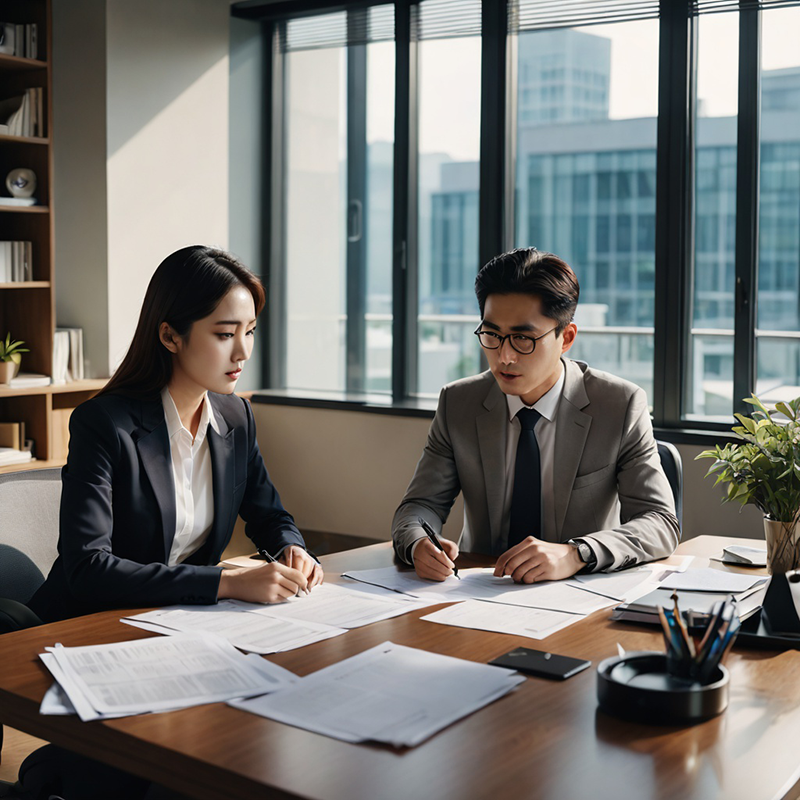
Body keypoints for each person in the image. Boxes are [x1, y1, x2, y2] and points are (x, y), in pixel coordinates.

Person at [29, 245, 323, 624]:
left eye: (249, 332)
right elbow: (89, 569)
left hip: (175, 622)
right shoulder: (103, 424)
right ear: (170, 337)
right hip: (83, 626)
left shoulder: (236, 417)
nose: (243, 352)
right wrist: (225, 583)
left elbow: (270, 517)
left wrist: (290, 548)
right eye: (224, 334)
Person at [392, 247, 679, 584]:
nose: (505, 356)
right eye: (492, 335)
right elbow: (418, 506)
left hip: (577, 594)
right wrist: (418, 543)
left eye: (523, 339)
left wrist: (576, 554)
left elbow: (660, 522)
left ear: (566, 338)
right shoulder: (459, 402)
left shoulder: (619, 405)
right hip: (477, 589)